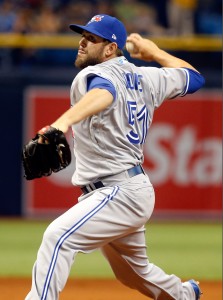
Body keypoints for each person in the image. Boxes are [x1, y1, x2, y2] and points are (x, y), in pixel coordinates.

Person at [25, 14, 204, 300]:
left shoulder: (93, 75)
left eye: (92, 39)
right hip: (131, 190)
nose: (82, 42)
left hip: (117, 192)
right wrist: (153, 52)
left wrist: (62, 123)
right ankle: (184, 294)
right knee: (131, 273)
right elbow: (194, 78)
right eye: (83, 36)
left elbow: (105, 92)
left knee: (57, 238)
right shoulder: (148, 76)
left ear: (110, 49)